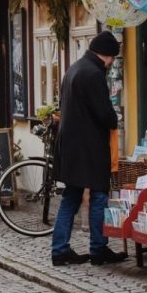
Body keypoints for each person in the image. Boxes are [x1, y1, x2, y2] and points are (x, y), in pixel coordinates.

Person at [50, 30, 127, 266]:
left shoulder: (74, 69)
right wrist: (114, 119)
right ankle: (98, 249)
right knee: (99, 195)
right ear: (105, 55)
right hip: (89, 147)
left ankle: (60, 249)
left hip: (70, 145)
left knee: (71, 197)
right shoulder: (93, 74)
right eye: (112, 57)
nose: (112, 62)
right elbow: (104, 114)